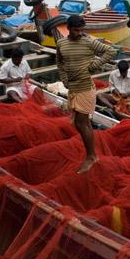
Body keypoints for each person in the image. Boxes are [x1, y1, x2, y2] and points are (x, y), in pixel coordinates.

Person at [56, 14, 117, 174]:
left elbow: (110, 51)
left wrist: (93, 66)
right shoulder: (61, 43)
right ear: (68, 28)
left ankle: (91, 156)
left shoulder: (88, 41)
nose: (79, 33)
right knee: (80, 123)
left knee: (81, 123)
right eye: (76, 30)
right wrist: (64, 79)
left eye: (82, 30)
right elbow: (60, 62)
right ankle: (91, 154)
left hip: (85, 87)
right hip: (73, 88)